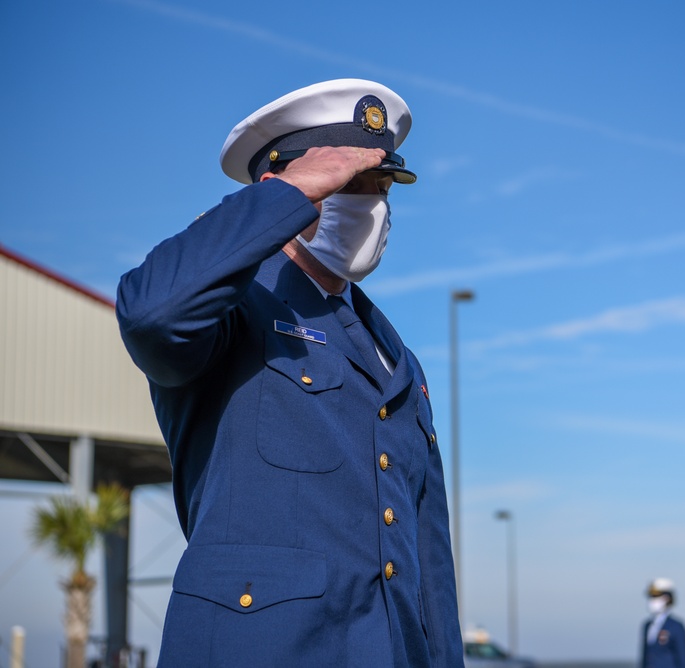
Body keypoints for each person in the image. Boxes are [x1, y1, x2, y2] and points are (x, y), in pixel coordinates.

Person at [116, 79, 463, 667]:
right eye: (351, 183)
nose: (374, 206)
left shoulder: (394, 354)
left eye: (383, 187)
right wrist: (287, 197)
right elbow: (152, 315)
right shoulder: (232, 307)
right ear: (284, 185)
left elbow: (427, 563)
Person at [641, 578, 685, 668]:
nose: (652, 601)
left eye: (655, 596)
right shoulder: (647, 626)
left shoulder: (676, 627)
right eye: (651, 596)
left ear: (666, 599)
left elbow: (682, 659)